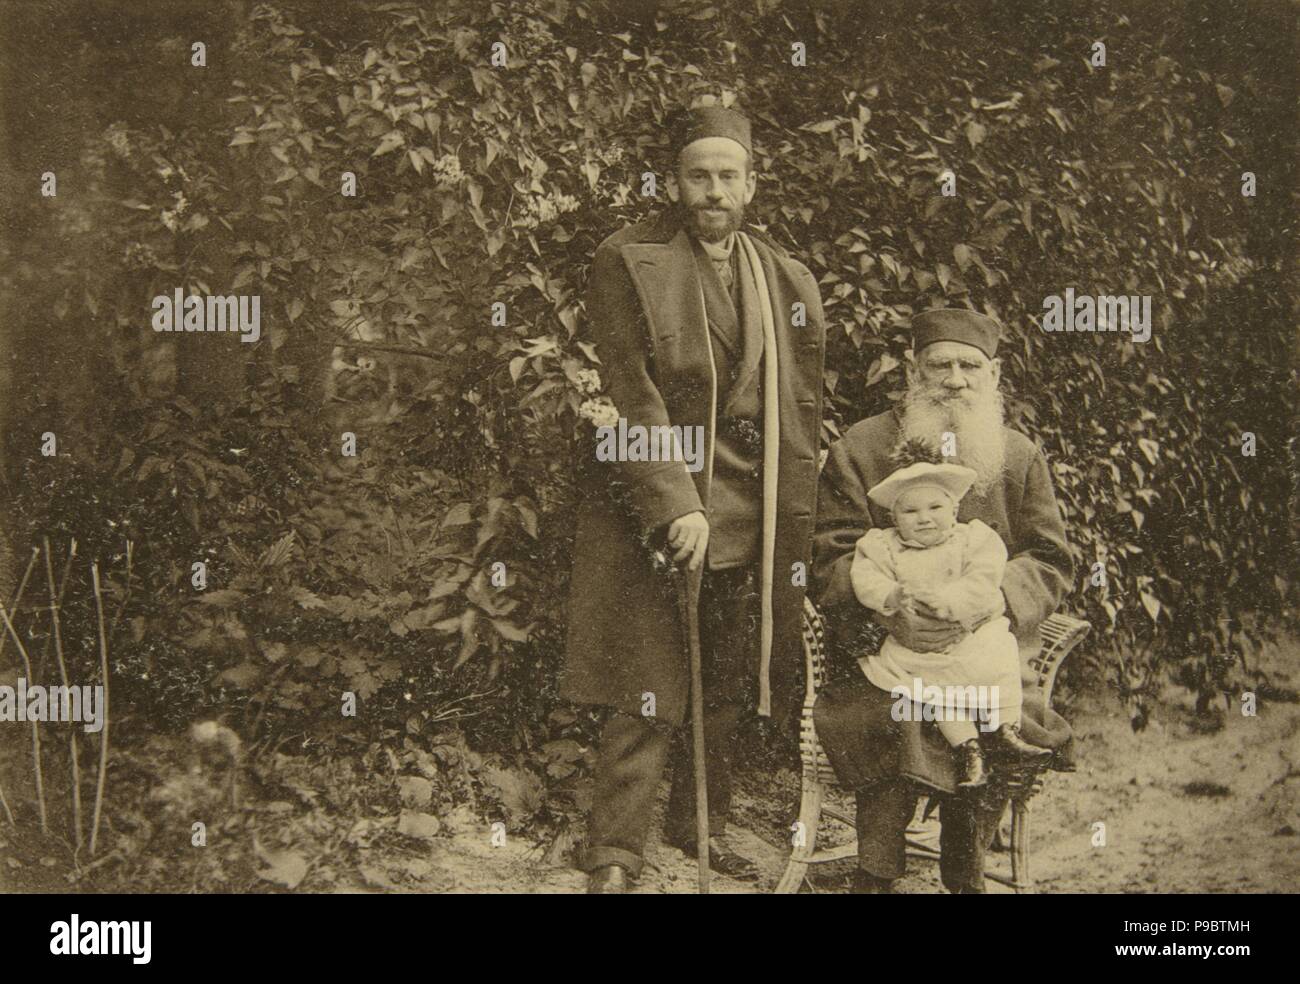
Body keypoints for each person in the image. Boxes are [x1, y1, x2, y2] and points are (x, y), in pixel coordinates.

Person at [561, 104, 826, 893]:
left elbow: (799, 409)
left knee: (726, 675)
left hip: (753, 505)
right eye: (698, 176)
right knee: (646, 676)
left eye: (728, 177)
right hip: (659, 500)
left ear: (751, 183)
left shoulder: (786, 278)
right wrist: (674, 502)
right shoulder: (628, 260)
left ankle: (700, 824)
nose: (713, 191)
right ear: (675, 182)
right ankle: (614, 849)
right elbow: (628, 389)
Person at [811, 308, 1074, 894]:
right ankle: (875, 874)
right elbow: (829, 552)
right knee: (893, 716)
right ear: (913, 370)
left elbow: (1050, 560)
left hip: (986, 647)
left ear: (994, 374)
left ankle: (965, 872)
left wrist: (992, 602)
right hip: (884, 650)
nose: (954, 379)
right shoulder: (863, 445)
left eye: (969, 366)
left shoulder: (1018, 454)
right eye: (940, 365)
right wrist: (886, 612)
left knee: (996, 721)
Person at [849, 450, 1052, 790]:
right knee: (934, 691)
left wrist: (953, 603)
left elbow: (984, 576)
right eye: (910, 511)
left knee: (1001, 649)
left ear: (955, 510)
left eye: (935, 508)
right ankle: (969, 750)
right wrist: (891, 597)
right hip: (914, 645)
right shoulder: (883, 547)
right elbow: (866, 578)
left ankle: (1006, 729)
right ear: (893, 518)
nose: (924, 518)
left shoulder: (972, 539)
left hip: (970, 631)